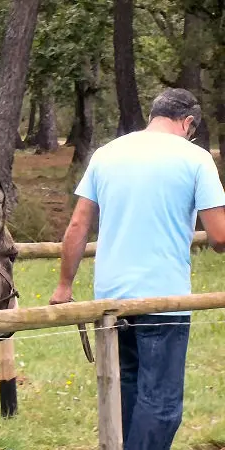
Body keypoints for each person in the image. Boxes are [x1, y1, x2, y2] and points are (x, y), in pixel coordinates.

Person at [49, 88, 225, 450]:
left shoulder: (106, 154)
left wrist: (64, 285)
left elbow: (78, 225)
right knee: (162, 405)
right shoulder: (196, 158)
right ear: (188, 123)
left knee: (126, 393)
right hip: (164, 300)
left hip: (110, 300)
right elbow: (219, 237)